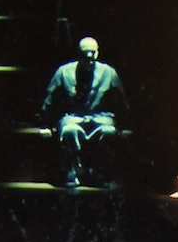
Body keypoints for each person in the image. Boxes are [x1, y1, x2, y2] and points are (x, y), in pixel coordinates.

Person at [42, 36, 129, 188]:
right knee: (69, 130)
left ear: (97, 53)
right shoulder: (64, 72)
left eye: (92, 52)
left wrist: (124, 125)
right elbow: (50, 100)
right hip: (73, 118)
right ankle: (73, 171)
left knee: (108, 132)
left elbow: (121, 102)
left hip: (100, 119)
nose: (89, 56)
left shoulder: (109, 73)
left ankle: (100, 172)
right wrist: (48, 124)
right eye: (85, 52)